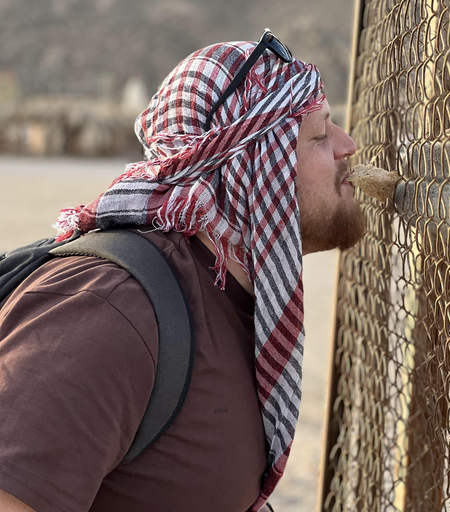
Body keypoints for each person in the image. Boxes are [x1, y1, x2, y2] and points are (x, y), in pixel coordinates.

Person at [0, 30, 365, 512]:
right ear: (251, 170)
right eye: (319, 135)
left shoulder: (233, 301)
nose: (348, 146)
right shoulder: (111, 311)